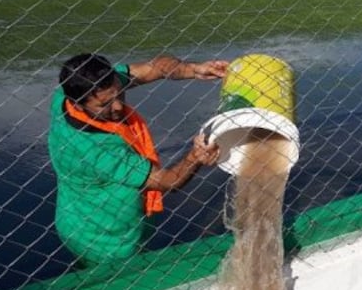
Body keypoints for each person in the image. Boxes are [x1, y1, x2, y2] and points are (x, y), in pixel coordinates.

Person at [48, 53, 228, 266]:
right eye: (104, 104)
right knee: (117, 283)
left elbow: (155, 67)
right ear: (78, 104)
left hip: (75, 214)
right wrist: (194, 157)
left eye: (120, 94)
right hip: (106, 238)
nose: (117, 107)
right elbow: (166, 182)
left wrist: (195, 69)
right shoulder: (94, 149)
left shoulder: (67, 93)